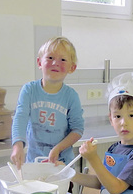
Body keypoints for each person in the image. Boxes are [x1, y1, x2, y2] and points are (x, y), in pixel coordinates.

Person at [11, 36, 84, 169]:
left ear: (72, 68)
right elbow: (20, 118)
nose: (55, 63)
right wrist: (17, 145)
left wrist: (58, 148)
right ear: (39, 62)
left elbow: (77, 130)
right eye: (50, 58)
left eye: (62, 60)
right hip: (34, 165)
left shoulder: (71, 96)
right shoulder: (29, 90)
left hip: (61, 166)